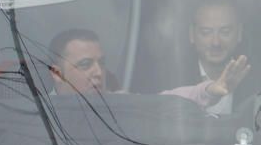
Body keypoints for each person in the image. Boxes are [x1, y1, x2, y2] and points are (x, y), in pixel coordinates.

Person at [49, 28, 249, 108]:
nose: (98, 72)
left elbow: (166, 101)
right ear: (57, 73)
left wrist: (210, 90)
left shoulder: (119, 104)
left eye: (101, 63)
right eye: (85, 64)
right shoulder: (34, 114)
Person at [184, 0, 256, 115]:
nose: (216, 42)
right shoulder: (173, 77)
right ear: (191, 35)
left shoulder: (256, 79)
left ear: (239, 33)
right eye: (206, 32)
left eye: (225, 32)